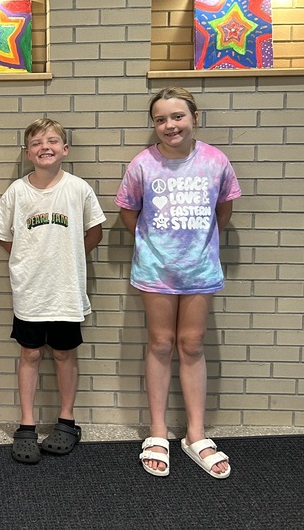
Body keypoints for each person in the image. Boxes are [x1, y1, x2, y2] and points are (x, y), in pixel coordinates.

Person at [115, 87, 241, 480]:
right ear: (154, 124)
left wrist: (197, 247)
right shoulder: (142, 164)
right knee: (160, 343)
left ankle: (195, 434)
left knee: (191, 345)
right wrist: (158, 248)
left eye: (177, 117)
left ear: (194, 117)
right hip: (155, 271)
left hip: (200, 271)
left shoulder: (215, 161)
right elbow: (128, 213)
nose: (170, 125)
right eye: (161, 119)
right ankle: (156, 432)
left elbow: (224, 212)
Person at [0, 118, 105, 464]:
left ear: (65, 149)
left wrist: (66, 259)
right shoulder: (17, 192)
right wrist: (30, 261)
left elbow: (94, 233)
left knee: (64, 354)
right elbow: (3, 236)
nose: (45, 147)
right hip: (30, 292)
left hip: (66, 290)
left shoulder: (78, 189)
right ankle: (26, 423)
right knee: (30, 354)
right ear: (27, 153)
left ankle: (67, 420)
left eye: (52, 141)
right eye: (37, 143)